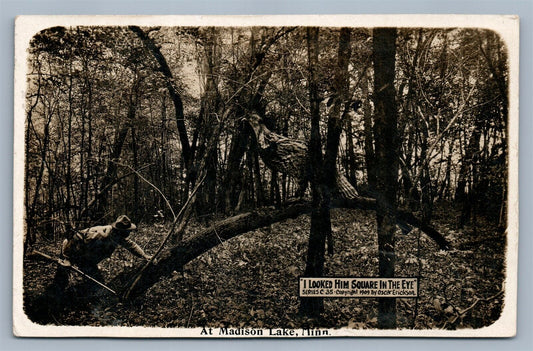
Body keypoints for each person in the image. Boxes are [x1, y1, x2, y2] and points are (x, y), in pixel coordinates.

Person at [53, 215, 151, 293]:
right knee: (61, 278)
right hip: (71, 250)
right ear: (119, 231)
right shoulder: (100, 234)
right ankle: (54, 298)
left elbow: (131, 245)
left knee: (97, 284)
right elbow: (74, 239)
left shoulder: (118, 236)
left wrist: (144, 255)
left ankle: (80, 298)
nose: (128, 234)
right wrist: (67, 258)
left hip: (86, 258)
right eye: (127, 232)